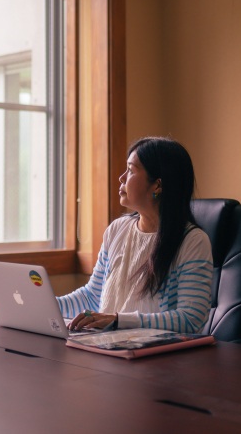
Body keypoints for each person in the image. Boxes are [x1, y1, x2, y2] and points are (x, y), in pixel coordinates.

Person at [58, 136, 213, 334]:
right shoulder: (117, 230)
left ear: (157, 185)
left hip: (156, 358)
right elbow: (92, 296)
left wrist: (118, 320)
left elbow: (190, 319)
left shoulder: (193, 242)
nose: (121, 178)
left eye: (131, 170)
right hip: (108, 347)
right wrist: (45, 305)